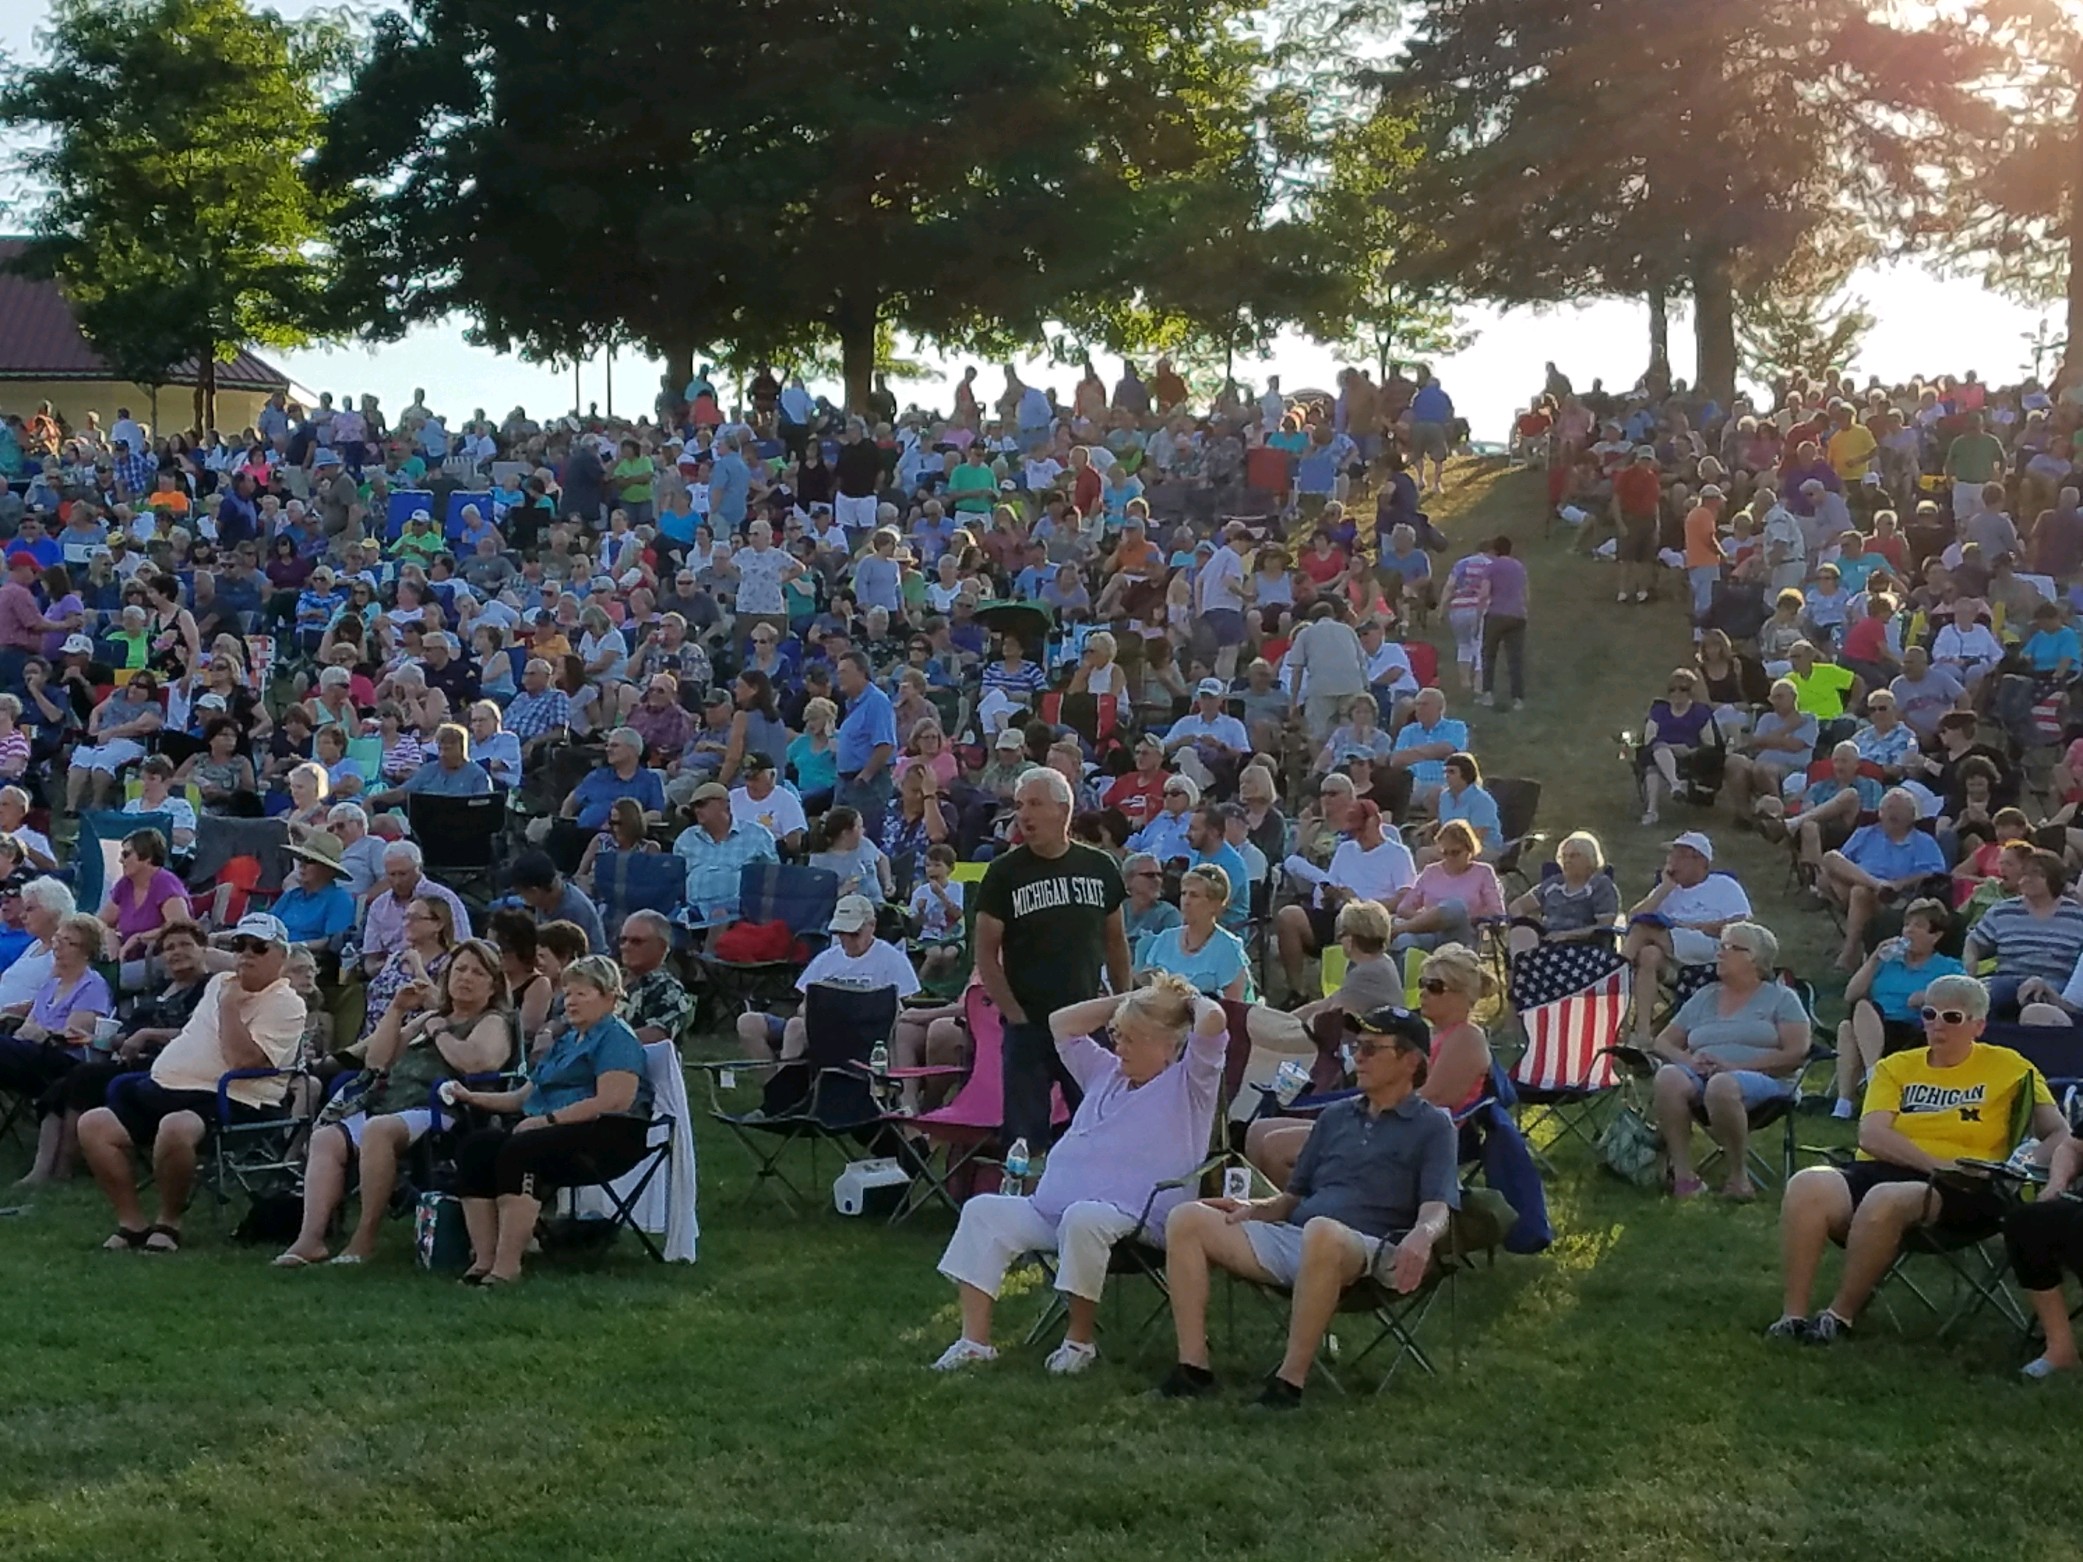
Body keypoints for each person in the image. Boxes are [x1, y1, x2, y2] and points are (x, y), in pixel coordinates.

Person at [1154, 1003, 1457, 1408]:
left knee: (1323, 1231)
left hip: (1369, 1248)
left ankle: (1289, 1382)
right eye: (1357, 1047)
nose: (1358, 1057)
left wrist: (1423, 1234)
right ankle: (1193, 1368)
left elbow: (1438, 1203)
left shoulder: (1433, 1125)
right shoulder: (1335, 1116)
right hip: (1301, 1236)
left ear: (1410, 1061)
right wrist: (1255, 1208)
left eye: (1371, 1048)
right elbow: (1293, 1198)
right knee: (1187, 1218)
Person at [930, 980, 1227, 1375]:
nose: (1120, 1047)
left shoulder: (1190, 1085)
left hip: (1139, 1217)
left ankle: (1079, 1342)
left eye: (1133, 1040)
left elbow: (1215, 1020)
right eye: (1119, 1036)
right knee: (983, 1211)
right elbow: (1060, 1024)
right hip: (1053, 1207)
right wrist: (1129, 1002)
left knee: (1084, 1218)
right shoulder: (1106, 1072)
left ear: (1169, 1046)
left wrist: (1184, 1000)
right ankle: (974, 1342)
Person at [1771, 974, 2068, 1344]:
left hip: (1967, 1185)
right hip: (1886, 1167)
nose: (1937, 1025)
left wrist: (2022, 1164)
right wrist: (1932, 1165)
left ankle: (1838, 1316)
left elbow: (2057, 1132)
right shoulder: (1898, 1066)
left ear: (1978, 1025)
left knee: (1887, 1198)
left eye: (1952, 1017)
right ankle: (1793, 1316)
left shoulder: (2010, 1067)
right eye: (1929, 1014)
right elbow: (1872, 1135)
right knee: (1808, 1183)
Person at [275, 937, 515, 1267]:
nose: (466, 977)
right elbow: (377, 1060)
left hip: (446, 1109)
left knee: (377, 1130)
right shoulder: (431, 1016)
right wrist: (398, 1009)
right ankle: (311, 1239)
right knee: (326, 1138)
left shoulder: (492, 1021)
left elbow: (476, 1063)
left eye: (478, 972)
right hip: (389, 1102)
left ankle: (364, 1240)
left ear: (493, 985)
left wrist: (439, 1031)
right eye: (459, 969)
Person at [78, 913, 307, 1253]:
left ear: (281, 957)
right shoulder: (220, 981)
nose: (246, 954)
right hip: (167, 1085)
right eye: (239, 945)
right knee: (93, 1124)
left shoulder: (286, 1003)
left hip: (234, 1097)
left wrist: (230, 1007)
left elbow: (243, 1061)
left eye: (258, 947)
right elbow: (210, 952)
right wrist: (228, 960)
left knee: (175, 1126)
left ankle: (168, 1223)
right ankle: (132, 1223)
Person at [444, 956, 655, 1286]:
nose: (570, 1001)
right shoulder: (567, 1041)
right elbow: (523, 1098)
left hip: (610, 1134)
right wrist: (469, 1097)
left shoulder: (616, 1038)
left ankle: (507, 1265)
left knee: (522, 1149)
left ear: (611, 996)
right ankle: (482, 1260)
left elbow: (615, 1100)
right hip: (555, 1130)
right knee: (477, 1147)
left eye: (581, 994)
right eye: (567, 993)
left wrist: (548, 1120)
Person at [1249, 941, 1494, 1192]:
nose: (1423, 992)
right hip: (1377, 1121)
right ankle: (1294, 1216)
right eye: (1422, 984)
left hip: (1404, 1139)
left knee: (1273, 1148)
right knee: (1257, 1133)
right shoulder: (1432, 1035)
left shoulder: (1467, 1038)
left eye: (1434, 986)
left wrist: (1364, 1107)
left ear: (1463, 995)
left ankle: (1318, 1213)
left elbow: (1430, 1099)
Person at [974, 768, 1130, 1151]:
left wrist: (1122, 1004)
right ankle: (1021, 1206)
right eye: (1019, 805)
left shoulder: (1100, 867)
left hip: (1087, 1021)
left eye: (1035, 804)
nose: (1023, 815)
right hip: (1030, 1024)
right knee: (1024, 1139)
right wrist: (1014, 1015)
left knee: (1096, 1128)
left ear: (1062, 810)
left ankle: (1091, 1206)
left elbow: (1116, 943)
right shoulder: (1004, 873)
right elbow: (984, 952)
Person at [1648, 921, 1808, 1202]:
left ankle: (1738, 1178)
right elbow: (1662, 1041)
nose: (1721, 954)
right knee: (1668, 1077)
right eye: (1721, 947)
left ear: (1757, 959)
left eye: (1732, 948)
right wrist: (1689, 1059)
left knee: (1722, 1084)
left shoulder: (1781, 998)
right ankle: (1685, 1178)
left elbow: (1796, 1052)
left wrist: (1736, 1068)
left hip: (1767, 1080)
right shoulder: (1705, 996)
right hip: (1704, 1074)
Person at [734, 894, 919, 1062]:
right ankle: (777, 1086)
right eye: (840, 933)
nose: (846, 939)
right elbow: (803, 1005)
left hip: (865, 1032)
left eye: (854, 933)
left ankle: (786, 1087)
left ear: (872, 925)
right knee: (750, 1023)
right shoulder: (826, 959)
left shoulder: (892, 959)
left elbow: (902, 1012)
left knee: (796, 1027)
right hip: (821, 1028)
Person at [1835, 899, 1964, 1120]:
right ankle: (1861, 1087)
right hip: (1873, 1023)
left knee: (1850, 1026)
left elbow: (1963, 996)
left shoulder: (1948, 967)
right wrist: (1875, 957)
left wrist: (1929, 997)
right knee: (1854, 1017)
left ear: (1936, 936)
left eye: (1918, 926)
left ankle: (1861, 1091)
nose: (1909, 931)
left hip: (1913, 1028)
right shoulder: (1888, 962)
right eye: (1907, 925)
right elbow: (1850, 994)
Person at [1275, 800, 1416, 999]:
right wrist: (1330, 894)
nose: (1357, 836)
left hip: (1375, 919)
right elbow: (1332, 882)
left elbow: (1405, 896)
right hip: (1339, 912)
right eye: (1353, 831)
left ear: (1375, 821)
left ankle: (1353, 993)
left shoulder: (1398, 854)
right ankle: (1296, 992)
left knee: (1354, 926)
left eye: (1360, 830)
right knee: (1288, 916)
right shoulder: (1346, 849)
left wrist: (1363, 904)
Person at [1620, 832, 1753, 1042]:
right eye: (1671, 855)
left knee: (1645, 929)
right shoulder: (1669, 888)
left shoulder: (1724, 885)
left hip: (1709, 948)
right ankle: (1643, 1033)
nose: (1671, 861)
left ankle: (1615, 974)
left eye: (1680, 855)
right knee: (1648, 954)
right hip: (1671, 954)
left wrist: (1694, 926)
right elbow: (1632, 919)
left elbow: (1742, 924)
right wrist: (1663, 889)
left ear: (1700, 860)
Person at [1817, 788, 1948, 970]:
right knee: (1832, 858)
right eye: (1888, 808)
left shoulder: (1923, 841)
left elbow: (1935, 873)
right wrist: (1878, 884)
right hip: (1866, 890)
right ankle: (1876, 885)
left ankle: (1849, 952)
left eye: (1898, 809)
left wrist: (1899, 884)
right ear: (1880, 813)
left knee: (1859, 891)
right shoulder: (1866, 833)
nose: (1892, 813)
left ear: (1912, 816)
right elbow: (1839, 862)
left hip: (1897, 899)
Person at [1963, 848, 2083, 1018]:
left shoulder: (2076, 915)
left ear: (2054, 879)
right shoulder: (2003, 911)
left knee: (2039, 1004)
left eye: (2037, 874)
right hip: (2008, 979)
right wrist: (1970, 966)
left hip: (2055, 983)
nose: (2027, 879)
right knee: (1979, 998)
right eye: (2024, 874)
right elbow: (1974, 941)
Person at [1137, 864, 1252, 1000]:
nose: (1186, 901)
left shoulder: (1228, 948)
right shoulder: (1165, 938)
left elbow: (1234, 1008)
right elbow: (1144, 991)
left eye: (1194, 895)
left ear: (1215, 904)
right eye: (1184, 893)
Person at [1388, 820, 1504, 953]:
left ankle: (1399, 929)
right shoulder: (1431, 871)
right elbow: (1404, 908)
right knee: (1405, 941)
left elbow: (1497, 913)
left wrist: (1469, 918)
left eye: (1455, 853)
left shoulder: (1483, 872)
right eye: (1444, 852)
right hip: (1429, 932)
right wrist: (1429, 920)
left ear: (1469, 850)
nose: (1449, 858)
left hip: (1463, 934)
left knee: (1456, 906)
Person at [674, 781, 779, 926]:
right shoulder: (686, 839)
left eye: (702, 804)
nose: (697, 810)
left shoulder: (757, 835)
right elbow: (675, 882)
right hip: (692, 913)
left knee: (720, 917)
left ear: (724, 804)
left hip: (740, 914)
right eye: (694, 806)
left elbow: (772, 881)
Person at [359, 839, 471, 972]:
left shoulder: (445, 899)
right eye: (392, 875)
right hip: (392, 972)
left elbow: (462, 945)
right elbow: (371, 956)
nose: (397, 881)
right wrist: (380, 969)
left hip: (439, 971)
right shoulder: (379, 906)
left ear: (419, 869)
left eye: (403, 874)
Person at [1506, 831, 1621, 956]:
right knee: (1521, 931)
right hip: (1548, 940)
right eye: (1564, 856)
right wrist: (1525, 926)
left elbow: (1604, 926)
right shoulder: (1554, 883)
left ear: (1590, 859)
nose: (1567, 860)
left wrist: (1567, 935)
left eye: (1574, 856)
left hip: (1584, 946)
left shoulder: (1600, 885)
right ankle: (1525, 969)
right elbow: (1517, 906)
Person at [613, 909, 693, 1047]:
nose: (626, 947)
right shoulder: (607, 980)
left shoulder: (668, 989)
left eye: (636, 941)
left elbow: (657, 1036)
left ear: (662, 947)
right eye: (623, 940)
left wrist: (602, 1042)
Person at [508, 849, 609, 955]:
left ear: (535, 891)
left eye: (522, 893)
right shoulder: (544, 900)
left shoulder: (574, 910)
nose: (523, 898)